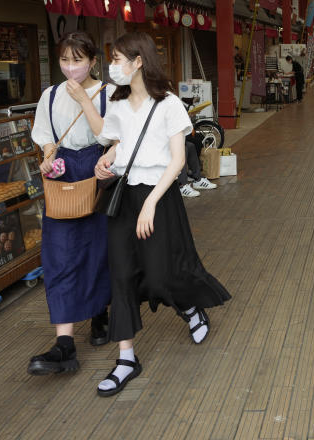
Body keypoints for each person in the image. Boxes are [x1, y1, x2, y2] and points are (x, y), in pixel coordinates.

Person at [94, 32, 231, 397]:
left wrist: (152, 202)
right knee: (121, 274)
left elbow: (178, 160)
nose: (113, 67)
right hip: (123, 196)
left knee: (159, 274)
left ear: (139, 61)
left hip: (158, 195)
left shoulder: (168, 103)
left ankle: (189, 308)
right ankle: (126, 358)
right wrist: (103, 163)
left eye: (118, 59)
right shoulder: (117, 103)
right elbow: (115, 144)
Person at [28, 31, 111, 375]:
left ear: (93, 61)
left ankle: (99, 314)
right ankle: (64, 344)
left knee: (97, 252)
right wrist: (47, 158)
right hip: (61, 176)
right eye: (64, 60)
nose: (70, 67)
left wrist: (84, 100)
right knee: (59, 255)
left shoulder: (109, 93)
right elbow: (47, 138)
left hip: (97, 173)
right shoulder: (49, 95)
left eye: (78, 60)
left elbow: (109, 136)